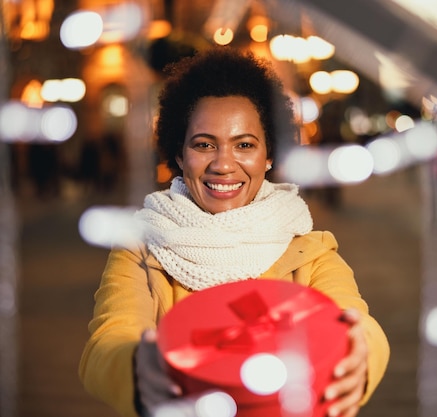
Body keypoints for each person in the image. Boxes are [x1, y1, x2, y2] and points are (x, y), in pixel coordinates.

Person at [79, 47, 389, 417]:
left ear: (269, 155)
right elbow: (109, 337)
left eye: (244, 145)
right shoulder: (141, 248)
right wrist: (136, 366)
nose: (224, 164)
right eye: (204, 144)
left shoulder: (309, 251)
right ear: (179, 154)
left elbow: (357, 321)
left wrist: (359, 355)